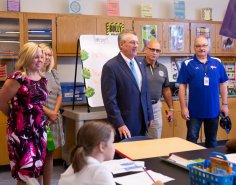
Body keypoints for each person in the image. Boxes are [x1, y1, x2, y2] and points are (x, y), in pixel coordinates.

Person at [58, 121, 164, 185]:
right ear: (102, 146)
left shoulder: (74, 166)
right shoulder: (99, 172)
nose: (114, 146)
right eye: (112, 142)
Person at [0, 42, 48, 185]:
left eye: (41, 57)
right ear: (27, 58)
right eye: (36, 57)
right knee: (25, 173)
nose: (40, 60)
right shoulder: (17, 78)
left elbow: (39, 105)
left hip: (39, 130)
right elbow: (2, 102)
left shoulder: (42, 77)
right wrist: (13, 116)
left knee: (38, 168)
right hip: (21, 132)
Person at [101, 30, 154, 142]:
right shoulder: (111, 67)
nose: (136, 46)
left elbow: (145, 91)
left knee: (140, 155)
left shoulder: (140, 63)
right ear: (121, 44)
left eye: (137, 43)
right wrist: (119, 123)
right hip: (124, 124)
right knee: (124, 157)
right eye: (132, 42)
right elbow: (110, 100)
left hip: (142, 121)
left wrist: (150, 115)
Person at [177, 35, 229, 148]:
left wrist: (225, 104)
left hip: (213, 110)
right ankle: (190, 163)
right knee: (191, 140)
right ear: (194, 48)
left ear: (208, 46)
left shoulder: (217, 62)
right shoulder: (187, 64)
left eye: (204, 45)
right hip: (193, 111)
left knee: (212, 141)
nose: (202, 48)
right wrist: (183, 107)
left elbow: (223, 84)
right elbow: (182, 86)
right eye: (198, 46)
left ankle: (210, 164)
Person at [40, 44, 65, 185]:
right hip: (40, 119)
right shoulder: (33, 73)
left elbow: (60, 95)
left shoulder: (54, 73)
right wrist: (49, 113)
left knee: (49, 155)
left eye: (50, 54)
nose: (48, 57)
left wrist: (54, 113)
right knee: (38, 156)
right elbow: (33, 99)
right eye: (44, 54)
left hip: (53, 120)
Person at [144, 40, 173, 139]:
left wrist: (171, 109)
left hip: (155, 107)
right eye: (152, 49)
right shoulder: (138, 66)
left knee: (155, 138)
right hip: (140, 108)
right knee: (138, 138)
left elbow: (166, 89)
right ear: (146, 50)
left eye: (157, 50)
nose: (155, 52)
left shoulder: (163, 68)